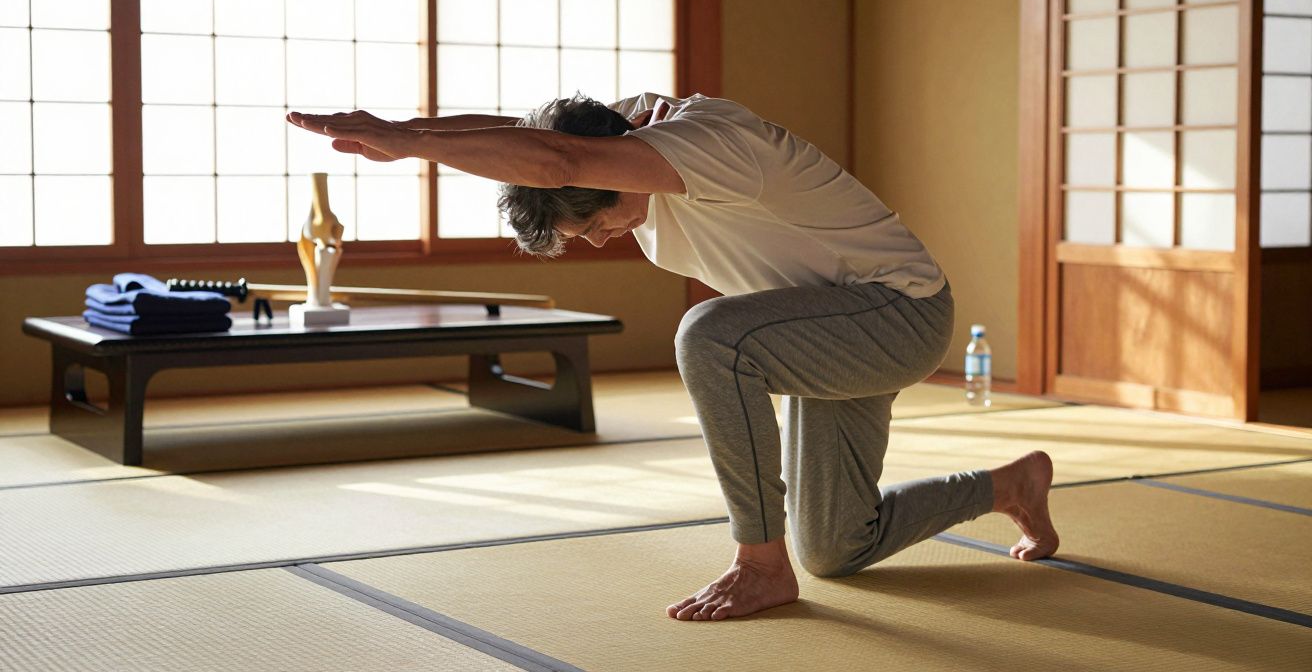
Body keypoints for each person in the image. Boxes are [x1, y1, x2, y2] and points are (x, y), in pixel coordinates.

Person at [286, 93, 1060, 622]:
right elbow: (531, 137)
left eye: (597, 220)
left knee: (709, 334)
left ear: (606, 165)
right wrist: (408, 130)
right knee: (835, 548)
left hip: (896, 314)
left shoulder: (711, 148)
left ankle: (759, 564)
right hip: (817, 322)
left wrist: (410, 146)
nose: (596, 236)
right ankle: (1009, 485)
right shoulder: (620, 127)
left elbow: (557, 158)